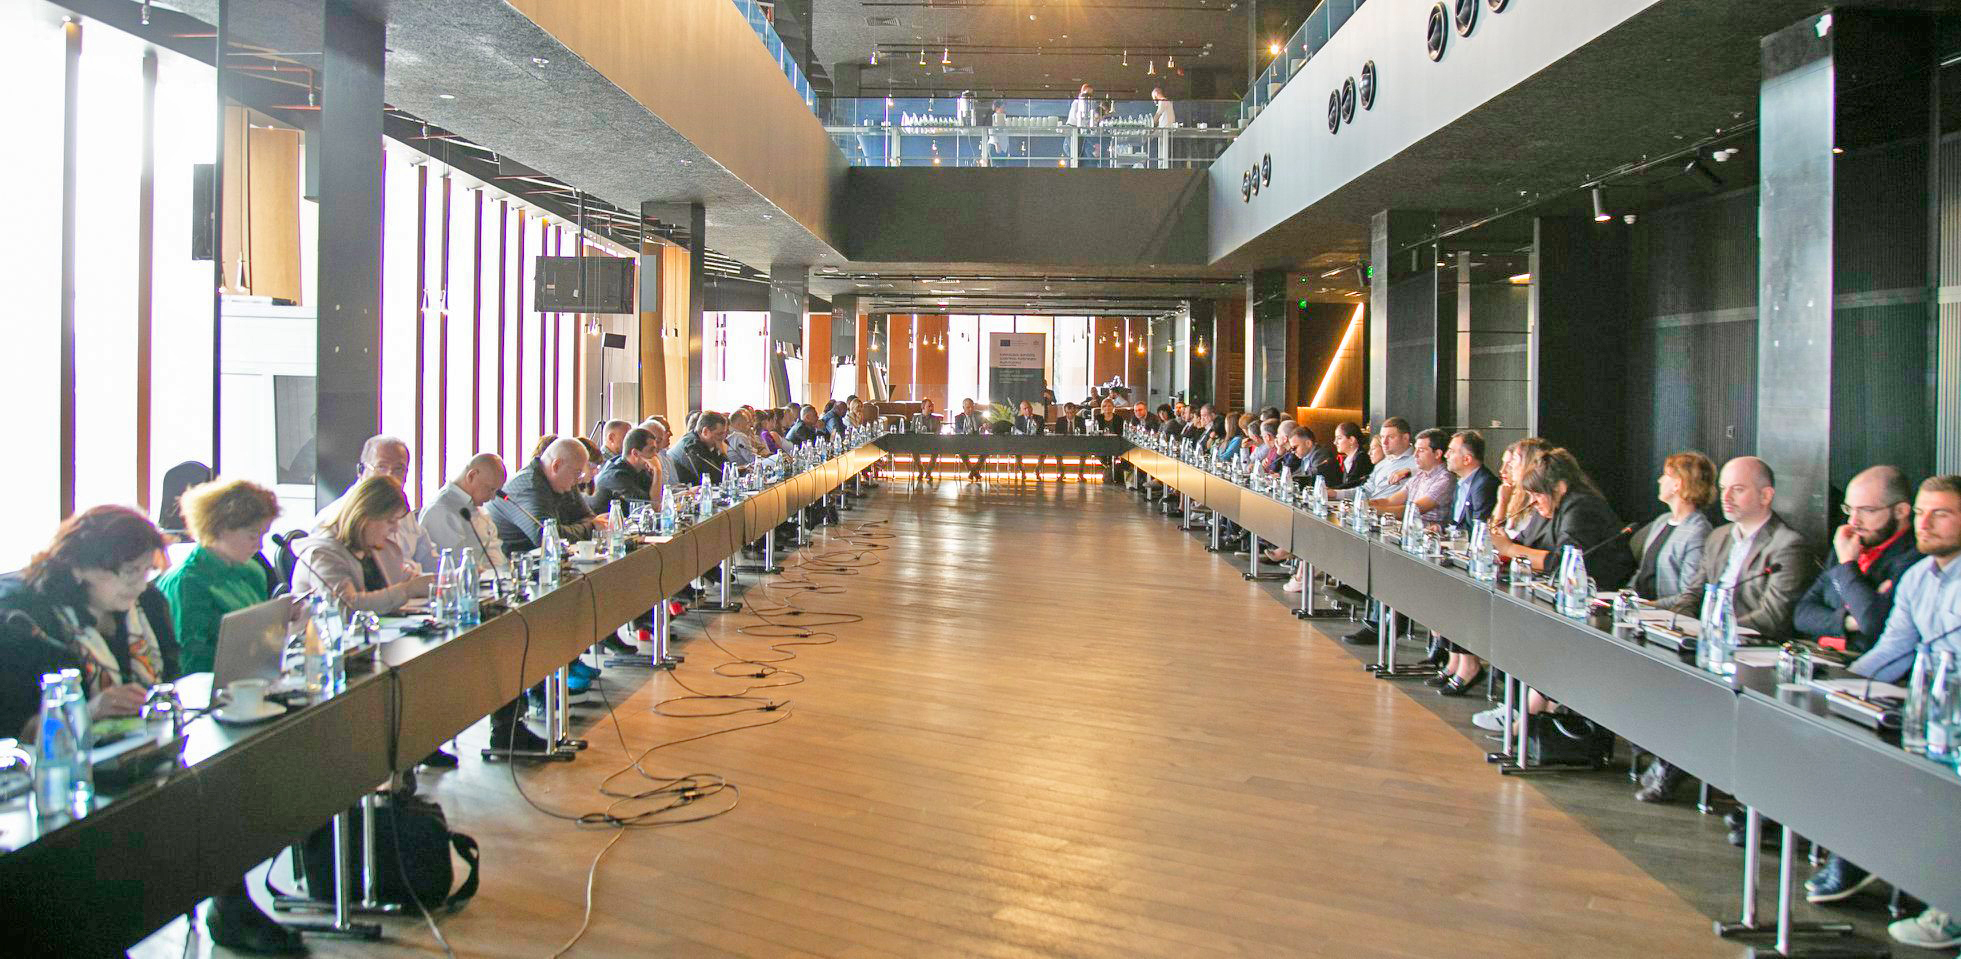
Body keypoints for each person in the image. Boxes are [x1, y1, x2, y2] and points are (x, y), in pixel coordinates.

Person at [1, 509, 297, 952]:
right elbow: (13, 725)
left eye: (145, 570)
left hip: (138, 747)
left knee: (221, 778)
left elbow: (170, 674)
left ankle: (231, 907)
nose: (139, 583)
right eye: (128, 572)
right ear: (80, 566)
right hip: (58, 774)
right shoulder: (26, 618)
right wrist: (87, 710)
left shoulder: (147, 604)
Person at [1807, 476, 1961, 939]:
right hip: (1928, 709)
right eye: (1921, 513)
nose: (1925, 524)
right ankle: (1865, 856)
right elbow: (1893, 649)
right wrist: (1840, 688)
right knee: (1854, 743)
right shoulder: (1918, 576)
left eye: (1941, 514)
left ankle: (1949, 910)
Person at [1636, 456, 1813, 804]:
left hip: (1754, 652)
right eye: (1723, 489)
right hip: (1708, 643)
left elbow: (1772, 618)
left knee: (1693, 683)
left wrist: (1712, 632)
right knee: (1655, 660)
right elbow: (1692, 595)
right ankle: (1665, 754)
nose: (1726, 498)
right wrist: (1672, 624)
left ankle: (1672, 765)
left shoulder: (1788, 545)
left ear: (1766, 496)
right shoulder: (1719, 538)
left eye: (1738, 489)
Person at [154, 478, 282, 675]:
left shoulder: (252, 571)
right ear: (220, 528)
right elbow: (190, 663)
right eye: (253, 536)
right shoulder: (187, 582)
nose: (260, 546)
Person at [1793, 465, 1919, 655]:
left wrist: (1847, 565)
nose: (1853, 522)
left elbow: (1872, 624)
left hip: (1866, 663)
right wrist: (1849, 621)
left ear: (1901, 511)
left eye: (1867, 510)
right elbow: (1802, 614)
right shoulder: (1849, 543)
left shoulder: (1913, 557)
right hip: (1820, 654)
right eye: (1849, 509)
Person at [293, 476, 435, 614]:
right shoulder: (321, 554)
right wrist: (408, 589)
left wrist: (426, 583)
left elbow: (399, 582)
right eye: (390, 521)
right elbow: (346, 608)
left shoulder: (377, 549)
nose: (395, 529)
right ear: (364, 517)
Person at [314, 435, 436, 572]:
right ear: (361, 471)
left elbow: (431, 561)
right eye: (381, 467)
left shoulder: (402, 512)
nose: (390, 476)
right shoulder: (333, 518)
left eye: (398, 469)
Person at [487, 437, 604, 556]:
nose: (579, 480)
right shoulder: (529, 486)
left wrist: (587, 525)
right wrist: (591, 527)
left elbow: (589, 517)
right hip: (515, 562)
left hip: (550, 559)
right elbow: (547, 538)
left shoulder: (565, 480)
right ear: (556, 466)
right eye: (577, 473)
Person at [1627, 452, 1717, 602]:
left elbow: (1688, 595)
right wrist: (1625, 596)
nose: (1660, 480)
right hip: (1639, 607)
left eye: (1665, 475)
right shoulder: (1662, 521)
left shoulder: (1698, 532)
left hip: (1663, 613)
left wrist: (1650, 606)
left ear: (1677, 484)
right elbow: (1643, 572)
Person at [422, 453, 510, 582]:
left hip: (494, 579)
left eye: (495, 491)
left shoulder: (474, 505)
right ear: (472, 476)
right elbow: (454, 566)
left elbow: (494, 551)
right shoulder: (441, 510)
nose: (492, 497)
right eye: (490, 489)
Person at [1367, 428, 1456, 527]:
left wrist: (1371, 509)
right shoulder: (1419, 475)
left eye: (1421, 450)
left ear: (1437, 454)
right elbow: (1390, 501)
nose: (1415, 455)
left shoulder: (1445, 479)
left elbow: (1413, 510)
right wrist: (1366, 503)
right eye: (1416, 449)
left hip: (1427, 533)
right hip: (1409, 529)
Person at [1334, 417, 1415, 502]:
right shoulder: (1382, 464)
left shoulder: (1417, 463)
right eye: (1382, 437)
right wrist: (1335, 494)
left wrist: (1411, 471)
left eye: (1391, 437)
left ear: (1405, 438)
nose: (1384, 442)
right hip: (1368, 507)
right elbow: (1365, 491)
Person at [1329, 421, 1372, 489]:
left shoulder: (1362, 458)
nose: (1335, 442)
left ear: (1351, 440)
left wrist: (1332, 490)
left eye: (1339, 438)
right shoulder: (1350, 459)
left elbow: (1352, 486)